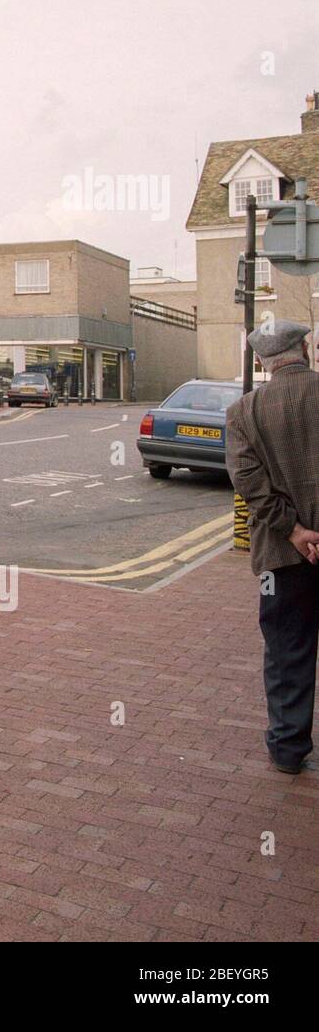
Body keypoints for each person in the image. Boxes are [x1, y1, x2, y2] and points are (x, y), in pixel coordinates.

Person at [226, 319, 319, 775]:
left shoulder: (244, 411)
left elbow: (247, 482)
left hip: (281, 559)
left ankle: (287, 748)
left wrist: (294, 531)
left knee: (287, 651)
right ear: (305, 349)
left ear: (263, 362)